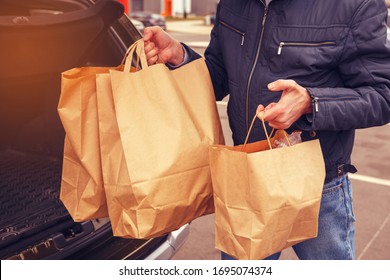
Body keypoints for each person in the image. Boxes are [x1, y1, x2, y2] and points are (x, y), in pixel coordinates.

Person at [143, 0, 390, 260]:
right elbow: (218, 76)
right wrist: (180, 56)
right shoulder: (231, 4)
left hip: (319, 188)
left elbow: (382, 95)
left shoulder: (355, 5)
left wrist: (310, 103)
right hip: (247, 181)